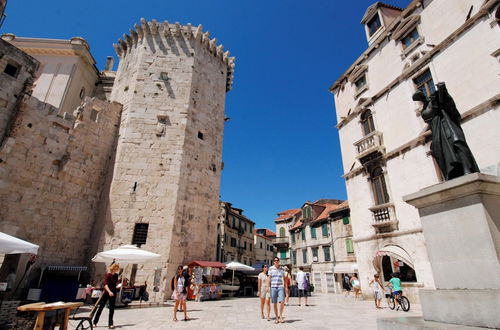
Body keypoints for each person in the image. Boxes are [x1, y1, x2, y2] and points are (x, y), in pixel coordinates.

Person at [93, 263, 120, 329]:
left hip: (113, 293)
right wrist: (109, 291)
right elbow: (105, 285)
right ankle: (94, 322)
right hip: (106, 293)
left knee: (112, 309)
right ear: (113, 268)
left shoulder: (116, 275)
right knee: (101, 308)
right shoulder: (108, 275)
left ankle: (110, 324)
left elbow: (114, 284)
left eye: (117, 268)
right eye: (116, 268)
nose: (117, 269)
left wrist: (118, 286)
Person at [267, 257, 288, 323]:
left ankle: (280, 316)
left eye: (277, 260)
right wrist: (268, 286)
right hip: (273, 287)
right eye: (275, 260)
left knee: (282, 301)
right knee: (275, 303)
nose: (276, 261)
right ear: (274, 262)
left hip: (280, 287)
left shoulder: (282, 269)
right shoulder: (271, 268)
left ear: (279, 261)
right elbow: (269, 278)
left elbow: (284, 278)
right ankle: (276, 317)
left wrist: (286, 287)